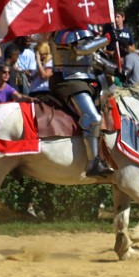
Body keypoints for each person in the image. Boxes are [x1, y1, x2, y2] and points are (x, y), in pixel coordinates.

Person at [49, 28, 119, 177]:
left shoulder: (82, 30)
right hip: (68, 80)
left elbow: (92, 58)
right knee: (93, 119)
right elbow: (81, 50)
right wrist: (106, 39)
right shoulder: (63, 32)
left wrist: (116, 71)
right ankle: (93, 163)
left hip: (85, 80)